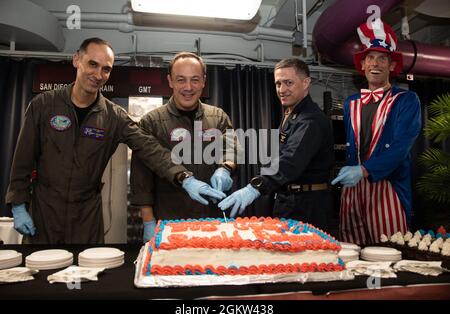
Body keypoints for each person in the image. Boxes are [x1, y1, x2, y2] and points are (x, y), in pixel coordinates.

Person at [5, 39, 225, 244]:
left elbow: (149, 148)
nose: (98, 74)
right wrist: (18, 204)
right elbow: (22, 159)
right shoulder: (43, 105)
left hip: (87, 215)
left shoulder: (114, 116)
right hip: (44, 210)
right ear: (76, 60)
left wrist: (184, 177)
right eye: (93, 64)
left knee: (87, 276)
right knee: (39, 278)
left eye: (106, 69)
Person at [331, 19, 422, 245]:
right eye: (370, 58)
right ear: (362, 65)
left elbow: (401, 147)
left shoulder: (406, 100)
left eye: (383, 58)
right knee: (353, 249)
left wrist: (364, 170)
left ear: (392, 66)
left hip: (387, 186)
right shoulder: (351, 102)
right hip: (353, 189)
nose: (376, 63)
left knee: (388, 251)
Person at [130, 52, 237, 242]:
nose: (188, 87)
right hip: (170, 223)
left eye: (195, 80)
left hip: (211, 220)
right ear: (170, 81)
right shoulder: (151, 122)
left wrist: (226, 168)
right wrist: (149, 222)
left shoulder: (218, 117)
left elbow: (232, 150)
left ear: (204, 81)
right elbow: (141, 178)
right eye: (181, 80)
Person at [219, 58, 335, 231]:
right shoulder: (292, 112)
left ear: (306, 83)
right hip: (290, 200)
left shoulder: (310, 119)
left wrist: (255, 187)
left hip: (307, 206)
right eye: (278, 84)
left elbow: (290, 161)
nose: (282, 90)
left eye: (288, 83)